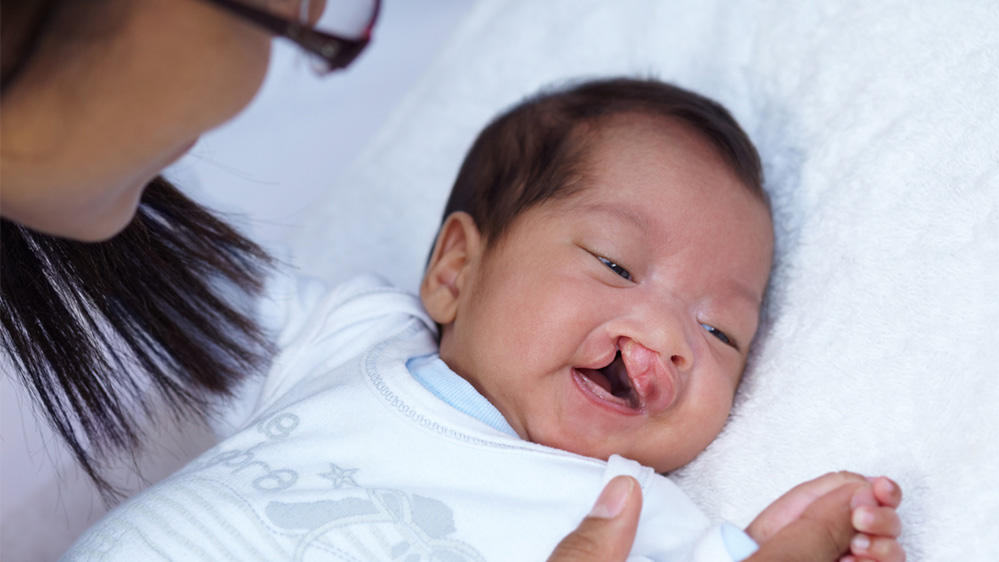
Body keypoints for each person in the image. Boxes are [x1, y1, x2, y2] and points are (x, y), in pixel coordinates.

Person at [61, 78, 904, 561]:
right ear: (456, 272)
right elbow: (163, 276)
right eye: (614, 264)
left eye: (721, 332)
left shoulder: (645, 518)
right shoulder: (354, 336)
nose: (669, 338)